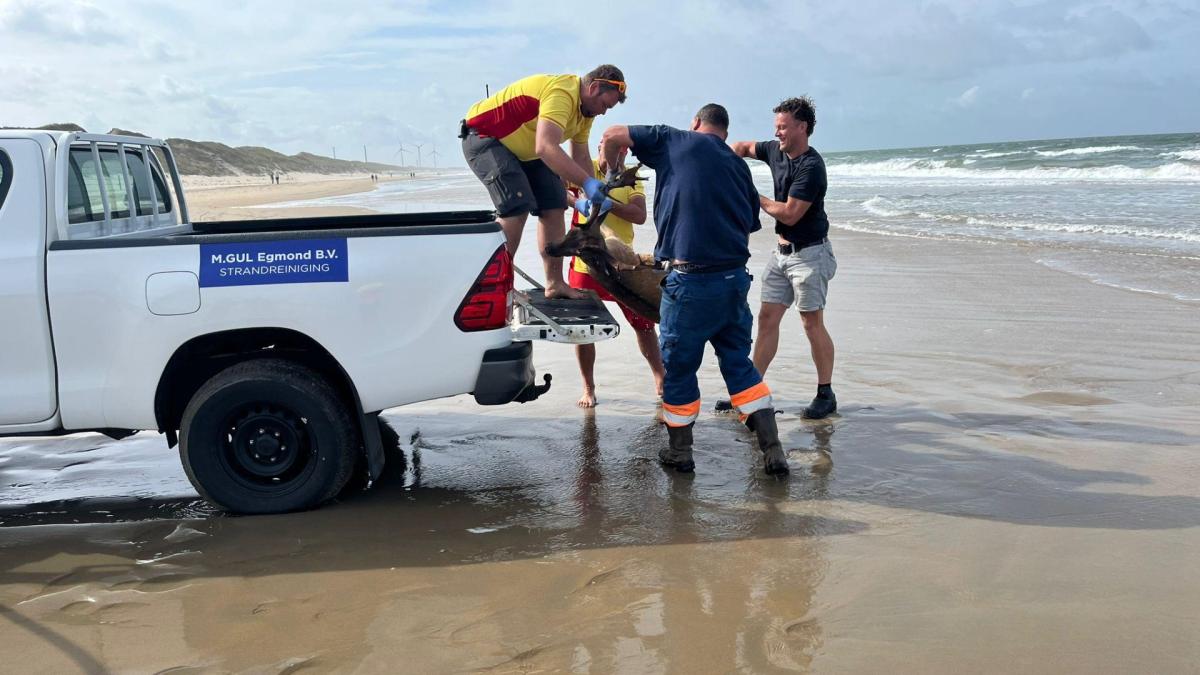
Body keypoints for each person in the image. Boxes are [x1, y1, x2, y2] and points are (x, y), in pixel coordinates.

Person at [598, 104, 789, 476]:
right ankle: (773, 449)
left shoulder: (675, 139)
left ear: (696, 123)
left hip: (689, 283)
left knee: (681, 369)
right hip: (734, 282)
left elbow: (613, 134)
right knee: (739, 365)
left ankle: (680, 453)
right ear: (725, 132)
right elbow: (749, 223)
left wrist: (612, 169)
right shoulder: (739, 167)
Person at [460, 65, 627, 299]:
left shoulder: (585, 112)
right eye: (605, 105)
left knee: (554, 202)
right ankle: (497, 285)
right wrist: (588, 183)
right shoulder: (563, 93)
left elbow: (579, 156)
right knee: (516, 205)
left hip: (525, 150)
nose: (604, 113)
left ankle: (555, 283)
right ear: (594, 87)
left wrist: (590, 196)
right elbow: (546, 147)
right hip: (485, 137)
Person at [724, 96, 838, 419]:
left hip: (811, 255)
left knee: (811, 323)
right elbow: (742, 147)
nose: (777, 134)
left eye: (783, 127)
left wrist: (751, 194)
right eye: (776, 128)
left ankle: (825, 393)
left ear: (802, 127)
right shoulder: (775, 150)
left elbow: (789, 213)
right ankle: (751, 390)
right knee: (766, 318)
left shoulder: (812, 167)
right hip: (781, 254)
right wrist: (725, 164)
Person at [567, 145, 664, 408]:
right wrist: (577, 201)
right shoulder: (585, 171)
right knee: (583, 330)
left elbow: (640, 215)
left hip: (622, 264)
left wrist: (608, 204)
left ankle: (660, 378)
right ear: (600, 146)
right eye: (610, 149)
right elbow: (559, 188)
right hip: (586, 264)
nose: (616, 155)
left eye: (622, 150)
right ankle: (588, 388)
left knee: (644, 324)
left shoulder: (631, 179)